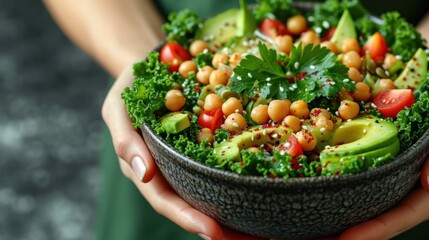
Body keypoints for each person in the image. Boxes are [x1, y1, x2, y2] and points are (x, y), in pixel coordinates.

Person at [42, 0, 429, 239]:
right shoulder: (212, 88)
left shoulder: (348, 80)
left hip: (394, 186)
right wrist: (140, 59)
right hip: (175, 176)